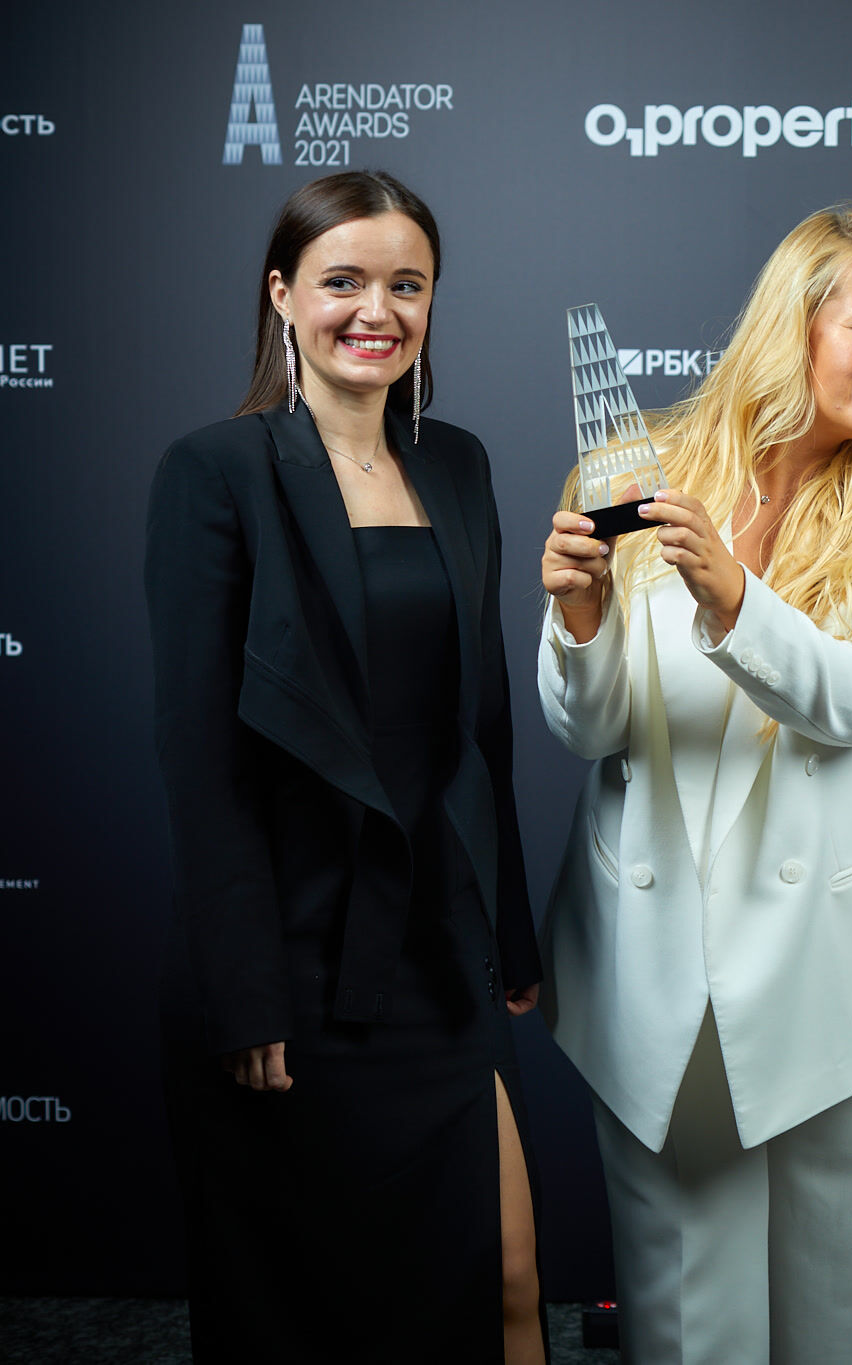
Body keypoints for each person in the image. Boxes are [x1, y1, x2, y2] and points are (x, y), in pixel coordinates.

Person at [536, 207, 852, 1364]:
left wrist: (732, 597)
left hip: (837, 982)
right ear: (794, 325)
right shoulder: (632, 470)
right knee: (691, 1321)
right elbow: (590, 731)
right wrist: (580, 618)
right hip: (653, 969)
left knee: (846, 1319)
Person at [145, 170, 544, 1364]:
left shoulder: (457, 464)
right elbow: (201, 758)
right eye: (344, 282)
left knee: (506, 1278)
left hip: (440, 947)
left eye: (406, 285)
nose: (377, 310)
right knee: (308, 1312)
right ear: (282, 295)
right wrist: (242, 988)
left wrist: (510, 931)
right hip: (293, 953)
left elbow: (481, 720)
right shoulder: (216, 472)